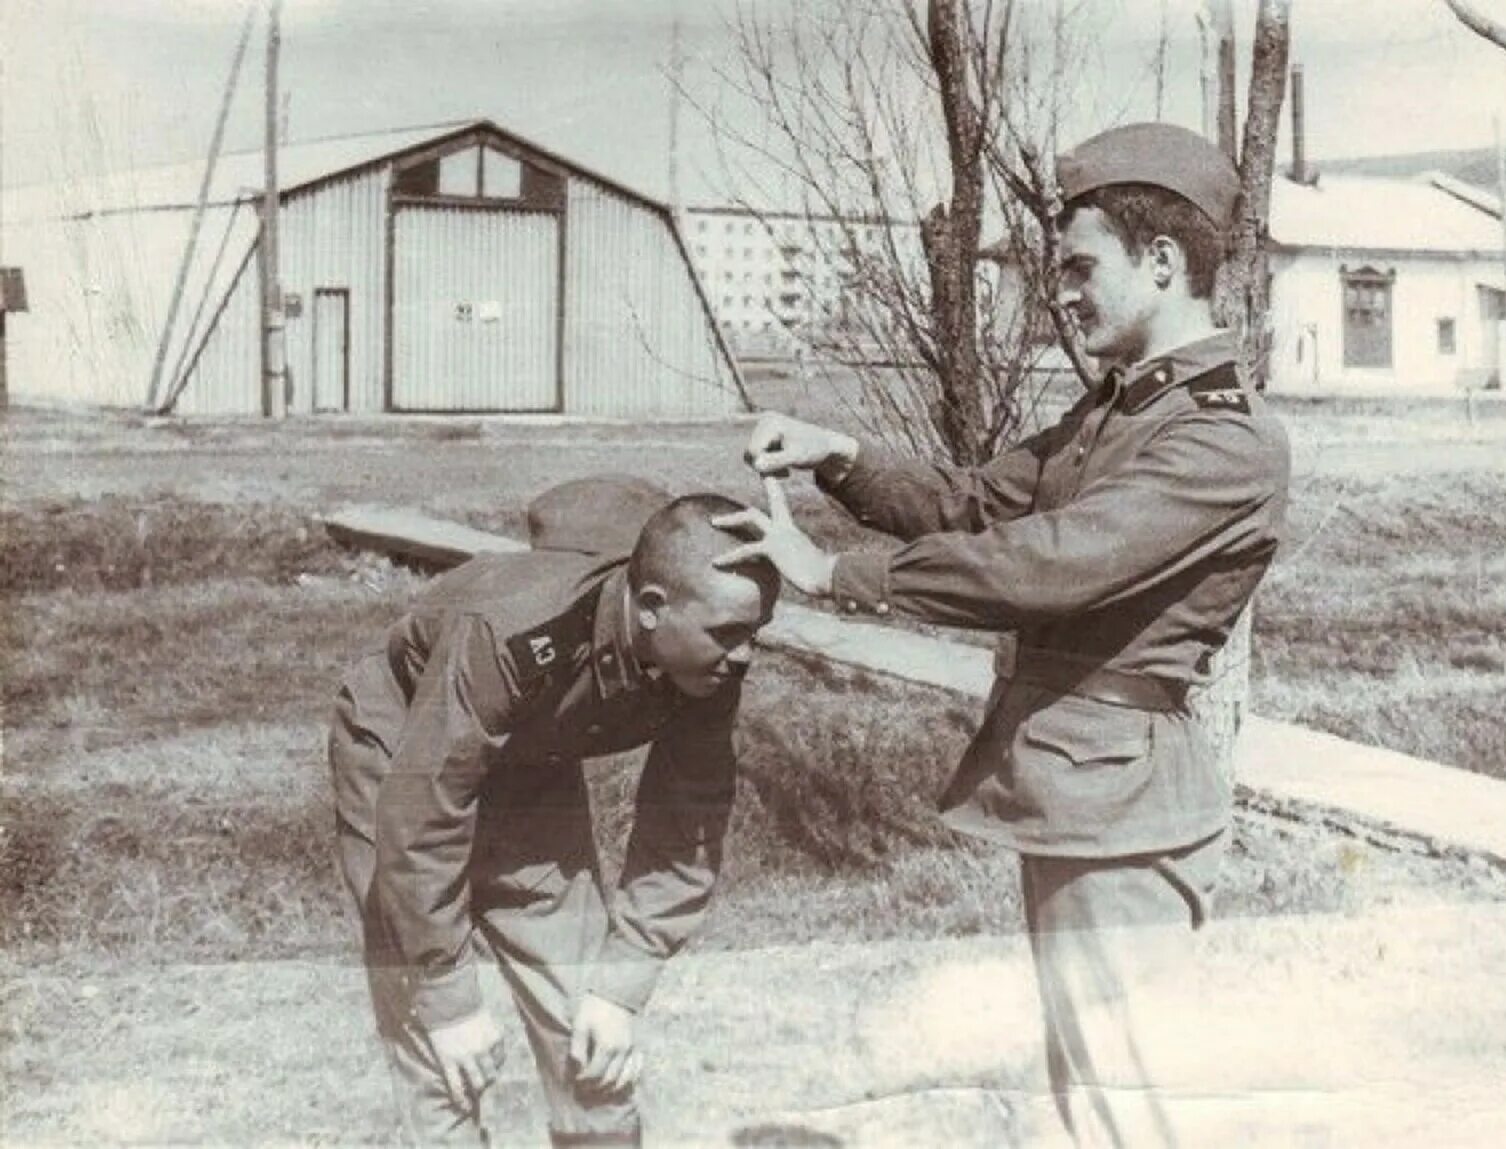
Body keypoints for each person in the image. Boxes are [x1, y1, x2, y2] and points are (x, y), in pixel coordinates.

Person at [715, 123, 1292, 1145]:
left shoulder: (1218, 434)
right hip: (1080, 793)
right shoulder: (1116, 413)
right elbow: (981, 505)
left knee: (1130, 1105)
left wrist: (833, 572)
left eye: (1080, 267)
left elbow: (1051, 564)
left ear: (1160, 264)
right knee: (1091, 1094)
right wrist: (837, 455)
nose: (1061, 294)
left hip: (1123, 804)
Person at [328, 478, 780, 1147]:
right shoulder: (510, 631)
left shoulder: (709, 665)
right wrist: (448, 998)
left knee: (593, 1042)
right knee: (443, 1052)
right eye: (729, 632)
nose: (745, 654)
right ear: (652, 606)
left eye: (756, 633)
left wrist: (620, 986)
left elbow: (687, 825)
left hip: (531, 762)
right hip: (406, 755)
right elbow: (424, 812)